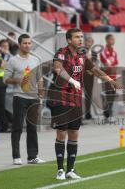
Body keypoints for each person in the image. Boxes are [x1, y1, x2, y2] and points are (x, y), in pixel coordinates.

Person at [47, 28, 121, 180]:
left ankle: (70, 170)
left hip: (76, 100)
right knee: (61, 133)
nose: (80, 39)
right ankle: (60, 169)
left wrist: (110, 80)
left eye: (81, 36)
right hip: (61, 98)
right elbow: (58, 69)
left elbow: (95, 70)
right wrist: (72, 80)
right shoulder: (61, 53)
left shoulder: (82, 56)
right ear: (69, 40)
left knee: (74, 133)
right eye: (76, 37)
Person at [4, 34, 45, 165]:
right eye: (25, 43)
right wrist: (18, 79)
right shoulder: (13, 61)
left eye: (29, 43)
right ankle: (16, 156)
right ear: (19, 44)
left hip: (33, 98)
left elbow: (40, 78)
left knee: (32, 127)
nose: (28, 45)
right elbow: (5, 79)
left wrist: (41, 94)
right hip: (19, 97)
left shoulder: (35, 60)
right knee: (17, 127)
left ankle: (33, 156)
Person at [100, 34, 118, 123]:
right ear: (107, 40)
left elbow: (116, 64)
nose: (113, 41)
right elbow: (107, 65)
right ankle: (107, 115)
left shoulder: (114, 52)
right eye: (111, 39)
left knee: (112, 96)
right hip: (107, 77)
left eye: (113, 39)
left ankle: (109, 114)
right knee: (108, 96)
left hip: (114, 77)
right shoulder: (104, 51)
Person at [83, 37, 97, 120]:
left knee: (89, 94)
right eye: (88, 42)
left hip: (90, 75)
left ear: (92, 43)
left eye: (90, 42)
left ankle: (88, 113)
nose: (89, 43)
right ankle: (79, 114)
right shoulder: (81, 51)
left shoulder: (94, 53)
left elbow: (94, 63)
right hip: (82, 75)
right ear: (85, 42)